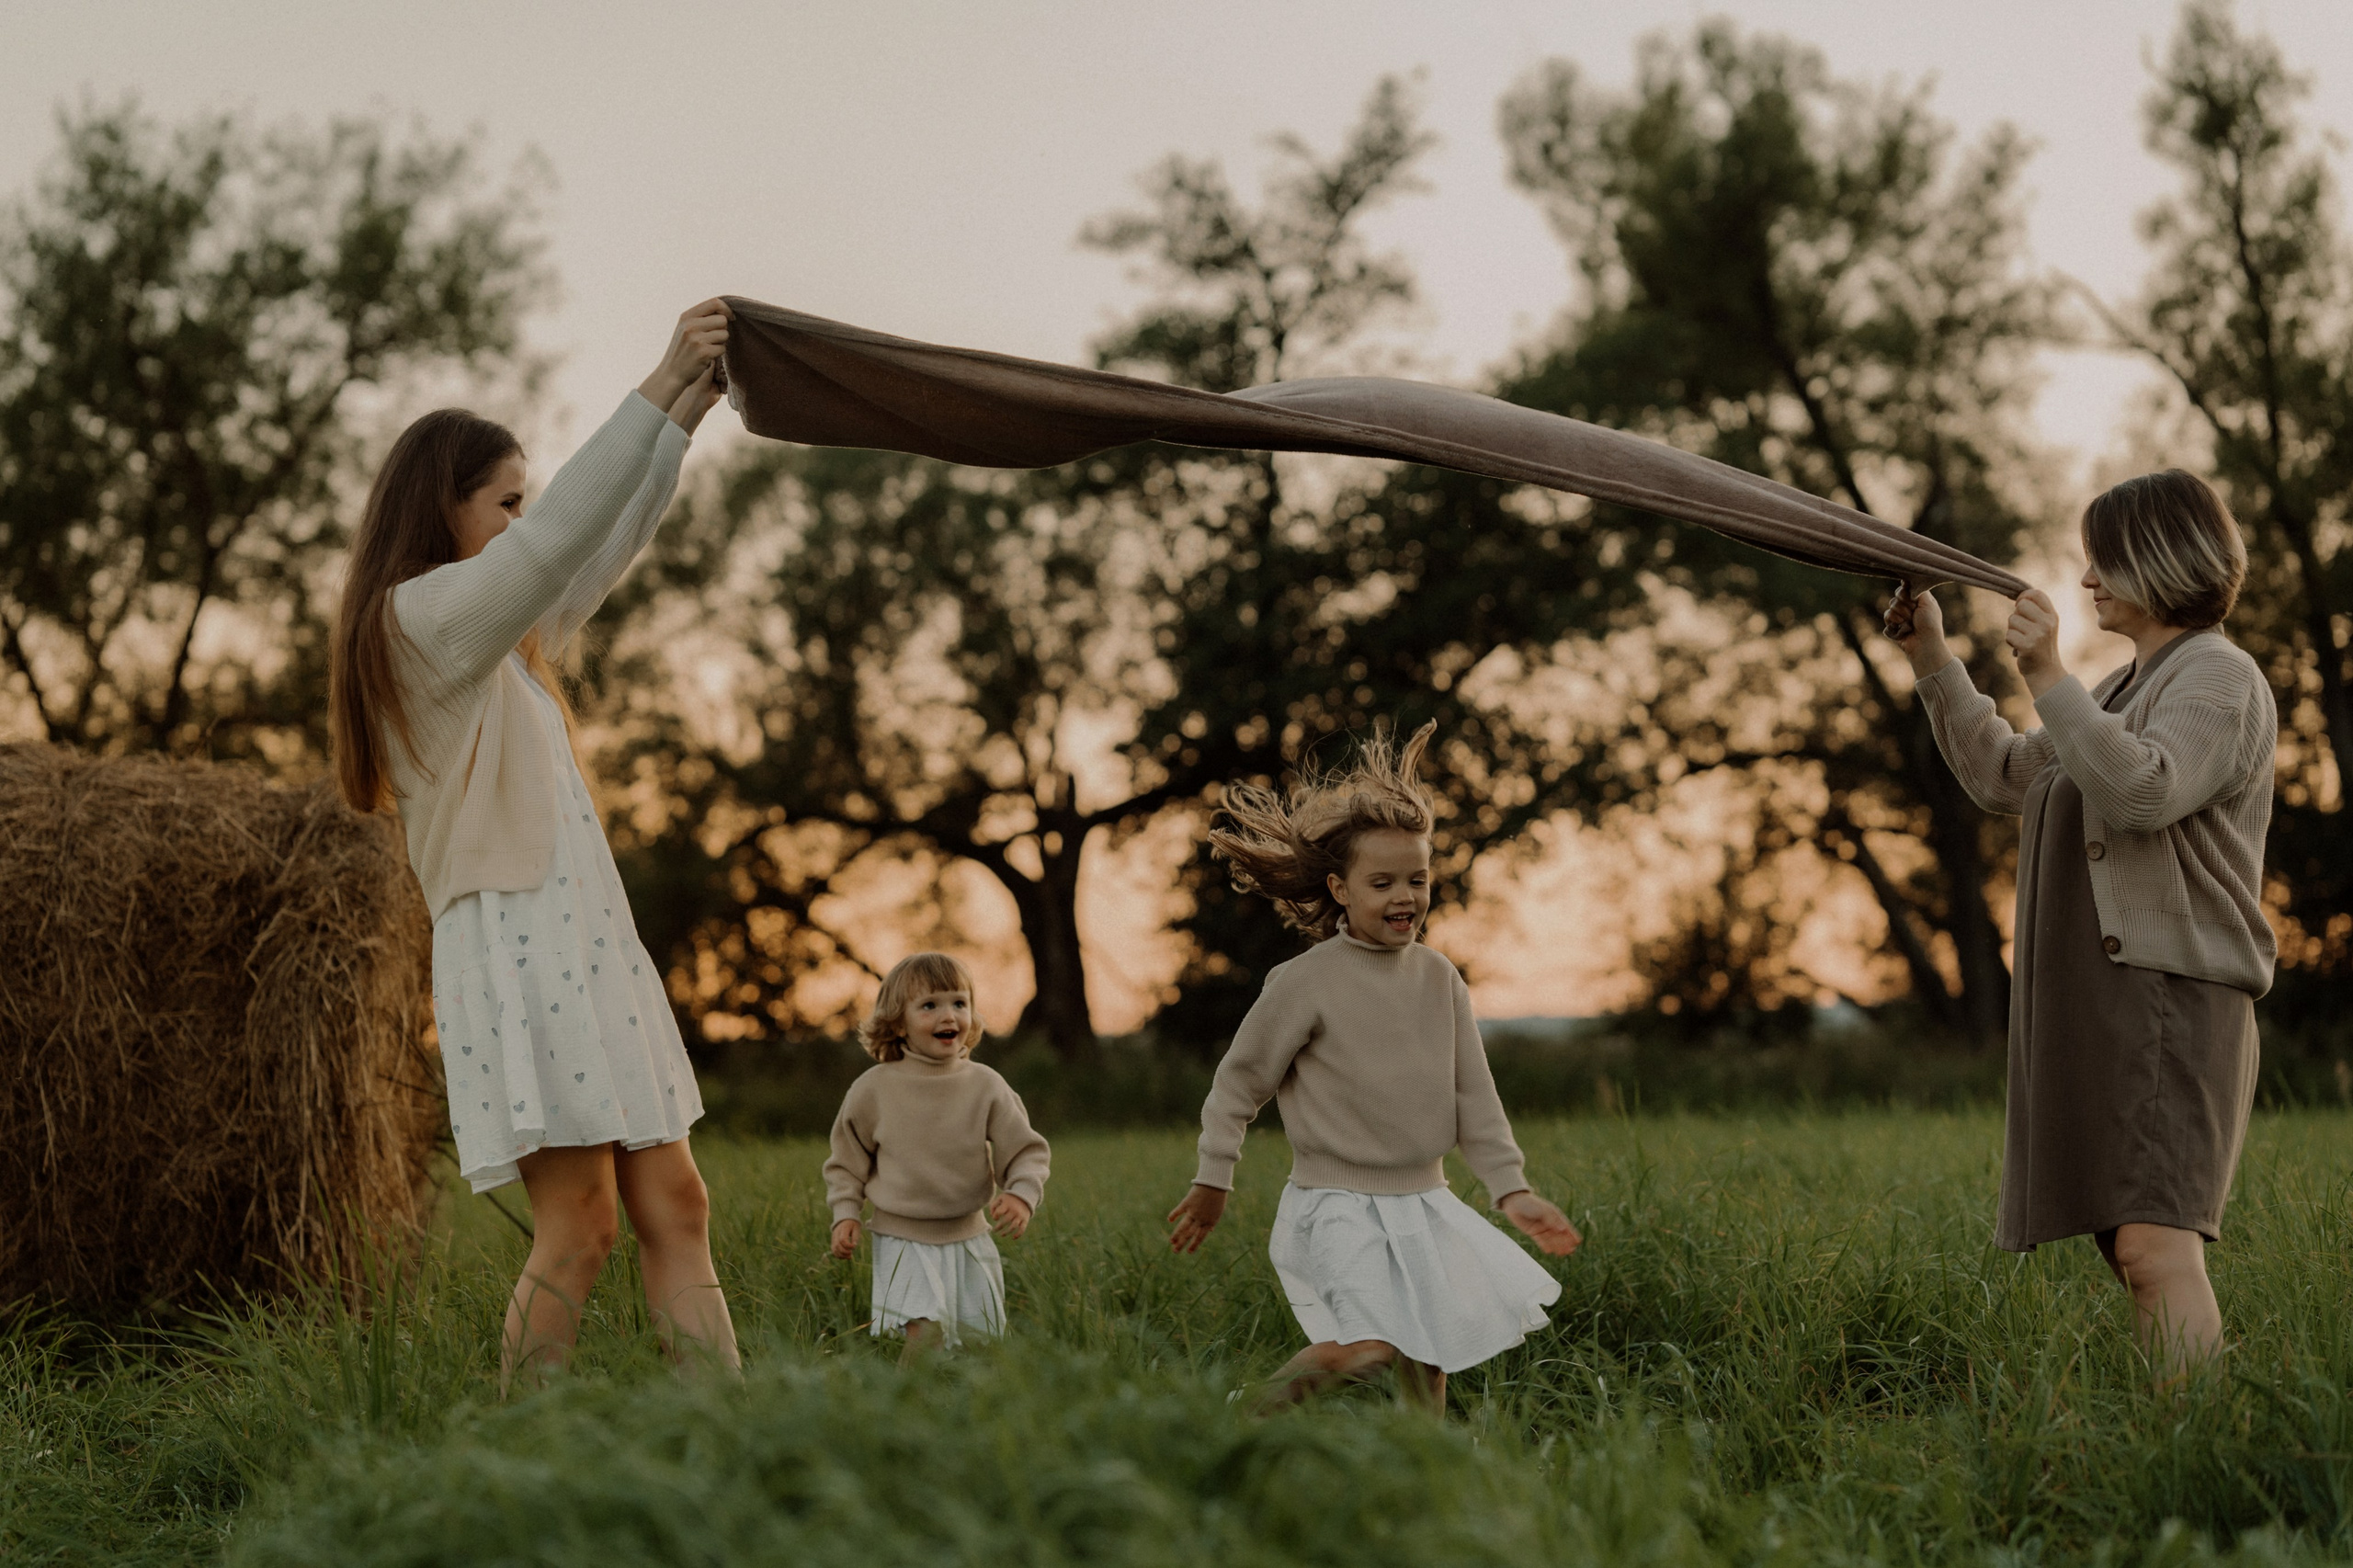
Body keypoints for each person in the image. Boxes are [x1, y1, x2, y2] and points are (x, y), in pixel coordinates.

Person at [330, 300, 740, 1388]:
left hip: (588, 939)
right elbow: (559, 541)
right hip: (518, 942)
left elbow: (591, 550)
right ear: (443, 505)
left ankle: (734, 1433)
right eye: (506, 503)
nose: (525, 522)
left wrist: (683, 418)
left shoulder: (502, 643)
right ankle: (522, 1449)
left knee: (676, 1200)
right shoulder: (420, 623)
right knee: (581, 1223)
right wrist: (659, 376)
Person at [1885, 469, 2276, 1384]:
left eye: (2106, 558)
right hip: (2110, 990)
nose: (2088, 577)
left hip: (2173, 989)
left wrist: (2047, 675)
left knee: (2153, 1244)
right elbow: (2004, 773)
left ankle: (2198, 1438)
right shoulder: (2121, 685)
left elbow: (2142, 791)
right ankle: (2181, 1426)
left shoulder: (2218, 675)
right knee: (2128, 1240)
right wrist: (1932, 655)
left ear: (2165, 558)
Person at [1165, 722, 1582, 1414]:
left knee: (1429, 1358)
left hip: (1423, 1201)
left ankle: (1424, 1467)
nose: (1404, 897)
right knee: (1366, 1349)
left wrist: (1514, 1192)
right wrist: (1214, 1177)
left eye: (1417, 880)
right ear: (1340, 887)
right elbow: (1238, 1086)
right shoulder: (1305, 981)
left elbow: (1474, 1098)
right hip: (1335, 1205)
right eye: (1382, 882)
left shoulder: (1439, 978)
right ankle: (1230, 1419)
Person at [825, 952, 1050, 1361]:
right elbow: (846, 1162)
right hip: (902, 1238)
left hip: (969, 1235)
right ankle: (908, 1397)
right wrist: (845, 1213)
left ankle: (975, 1400)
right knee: (925, 1334)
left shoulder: (986, 1085)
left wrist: (1021, 1193)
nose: (949, 1015)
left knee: (980, 1342)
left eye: (959, 1003)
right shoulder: (873, 1089)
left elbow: (1025, 1150)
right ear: (898, 1022)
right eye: (929, 1005)